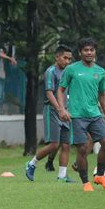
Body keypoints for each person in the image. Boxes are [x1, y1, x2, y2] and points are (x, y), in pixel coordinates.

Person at [58, 37, 105, 192]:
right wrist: (62, 109)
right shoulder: (71, 69)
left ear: (95, 52)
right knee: (82, 148)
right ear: (80, 52)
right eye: (86, 50)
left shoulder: (100, 71)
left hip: (95, 114)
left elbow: (102, 94)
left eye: (91, 50)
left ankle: (100, 176)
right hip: (76, 115)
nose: (89, 53)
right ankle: (85, 182)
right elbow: (61, 89)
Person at [25, 45, 74, 182]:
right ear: (57, 57)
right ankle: (31, 163)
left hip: (66, 112)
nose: (67, 61)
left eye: (70, 59)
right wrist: (60, 109)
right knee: (54, 144)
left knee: (65, 145)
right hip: (53, 111)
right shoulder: (50, 72)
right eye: (65, 58)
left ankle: (62, 176)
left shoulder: (68, 72)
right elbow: (49, 93)